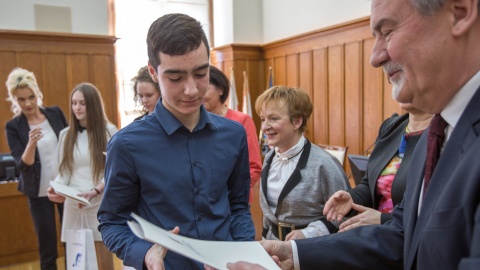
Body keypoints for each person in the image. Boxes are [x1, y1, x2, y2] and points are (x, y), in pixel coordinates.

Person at [254, 0, 480, 269]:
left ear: (460, 13)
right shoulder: (435, 134)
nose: (375, 57)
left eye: (387, 31)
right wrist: (294, 253)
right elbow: (403, 235)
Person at [97, 13, 255, 270]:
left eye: (201, 73)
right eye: (175, 78)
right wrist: (145, 254)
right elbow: (112, 223)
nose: (191, 89)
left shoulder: (234, 134)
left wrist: (244, 251)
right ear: (153, 72)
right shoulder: (126, 145)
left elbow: (238, 207)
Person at [255, 85, 350, 241]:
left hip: (312, 252)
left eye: (273, 118)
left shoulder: (324, 164)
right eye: (263, 119)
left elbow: (345, 214)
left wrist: (308, 233)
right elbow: (269, 214)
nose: (264, 127)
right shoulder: (269, 158)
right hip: (273, 250)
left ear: (297, 121)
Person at [324, 104, 432, 232]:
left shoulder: (443, 133)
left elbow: (432, 211)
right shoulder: (390, 127)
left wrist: (382, 219)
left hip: (409, 241)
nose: (396, 83)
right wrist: (352, 198)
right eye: (391, 81)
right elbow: (368, 185)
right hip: (376, 234)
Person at [47, 83, 117, 270]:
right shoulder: (65, 135)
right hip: (74, 204)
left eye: (82, 103)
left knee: (103, 263)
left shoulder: (109, 132)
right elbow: (65, 172)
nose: (77, 107)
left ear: (93, 105)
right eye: (74, 103)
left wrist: (94, 191)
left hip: (99, 203)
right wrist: (57, 187)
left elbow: (113, 172)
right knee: (77, 263)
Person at [5, 67, 68, 270]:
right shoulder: (13, 127)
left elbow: (69, 144)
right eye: (21, 99)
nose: (28, 103)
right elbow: (22, 165)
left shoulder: (55, 113)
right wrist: (31, 144)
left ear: (38, 93)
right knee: (47, 246)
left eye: (31, 97)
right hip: (37, 192)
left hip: (65, 188)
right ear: (14, 100)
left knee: (71, 240)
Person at [204, 65, 262, 203]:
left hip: (234, 202)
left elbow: (253, 166)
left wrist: (229, 194)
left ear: (221, 89)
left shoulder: (242, 120)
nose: (200, 94)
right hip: (205, 203)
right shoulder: (196, 122)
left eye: (206, 89)